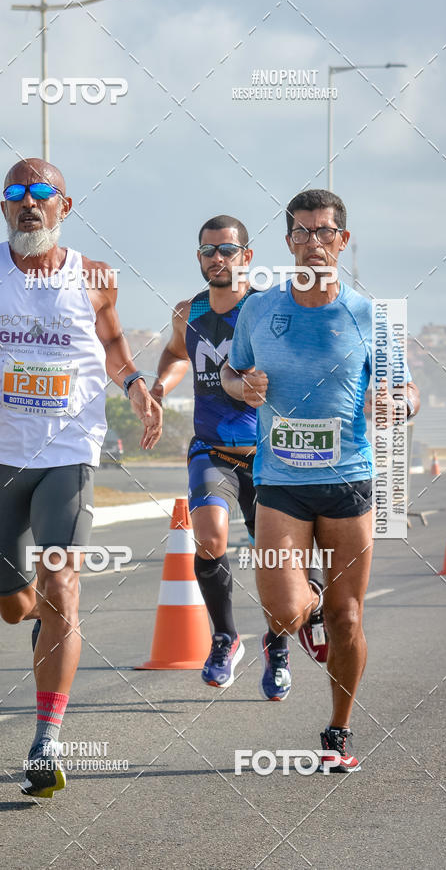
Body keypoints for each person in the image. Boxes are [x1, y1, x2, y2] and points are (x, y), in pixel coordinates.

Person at [0, 158, 162, 798]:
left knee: (62, 587)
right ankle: (39, 625)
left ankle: (47, 742)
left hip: (69, 452)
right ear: (3, 208)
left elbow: (113, 346)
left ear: (63, 206)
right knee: (15, 607)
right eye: (16, 194)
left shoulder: (95, 277)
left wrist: (135, 387)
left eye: (42, 193)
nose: (29, 203)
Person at [221, 189, 419, 771]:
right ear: (288, 242)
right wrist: (240, 387)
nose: (313, 243)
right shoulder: (258, 310)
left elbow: (405, 390)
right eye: (302, 233)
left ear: (343, 240)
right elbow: (231, 372)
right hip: (280, 480)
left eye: (325, 232)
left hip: (348, 480)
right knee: (284, 611)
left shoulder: (368, 316)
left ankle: (338, 732)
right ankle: (304, 613)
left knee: (348, 616)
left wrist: (399, 405)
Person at [151, 215, 291, 699]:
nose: (217, 258)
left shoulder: (267, 310)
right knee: (209, 537)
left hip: (267, 454)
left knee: (272, 556)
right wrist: (159, 389)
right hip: (211, 449)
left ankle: (277, 644)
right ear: (199, 257)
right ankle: (226, 638)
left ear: (246, 256)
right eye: (208, 251)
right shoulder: (187, 311)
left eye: (227, 250)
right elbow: (175, 355)